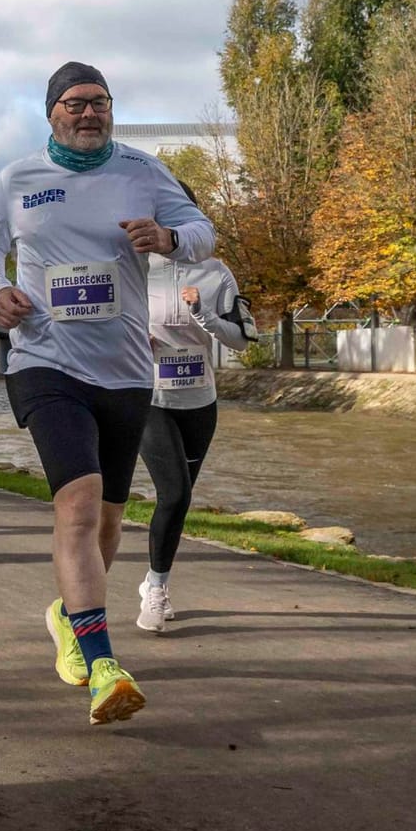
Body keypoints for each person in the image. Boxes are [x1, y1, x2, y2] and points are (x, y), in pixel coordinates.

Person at [0, 61, 213, 726]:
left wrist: (169, 238)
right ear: (52, 112)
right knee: (76, 506)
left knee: (107, 522)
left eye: (99, 102)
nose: (88, 113)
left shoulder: (143, 171)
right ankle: (104, 666)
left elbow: (202, 231)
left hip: (125, 369)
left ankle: (68, 614)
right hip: (45, 359)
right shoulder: (19, 178)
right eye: (75, 103)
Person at [137, 220, 257, 632]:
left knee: (179, 500)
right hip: (151, 399)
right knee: (174, 493)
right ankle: (157, 589)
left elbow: (241, 340)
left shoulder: (216, 271)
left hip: (199, 401)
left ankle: (152, 578)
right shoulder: (135, 269)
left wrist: (203, 314)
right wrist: (134, 339)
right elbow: (110, 324)